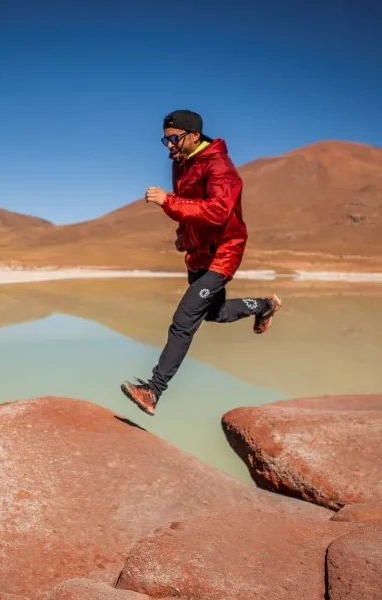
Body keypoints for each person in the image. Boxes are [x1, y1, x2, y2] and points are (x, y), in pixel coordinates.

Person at [120, 109, 281, 416]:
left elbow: (218, 211)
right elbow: (191, 204)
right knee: (214, 313)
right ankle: (264, 306)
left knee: (183, 322)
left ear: (194, 136)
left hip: (223, 252)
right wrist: (182, 233)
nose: (169, 146)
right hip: (199, 252)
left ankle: (153, 391)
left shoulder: (220, 167)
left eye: (174, 139)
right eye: (165, 140)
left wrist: (168, 202)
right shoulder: (182, 165)